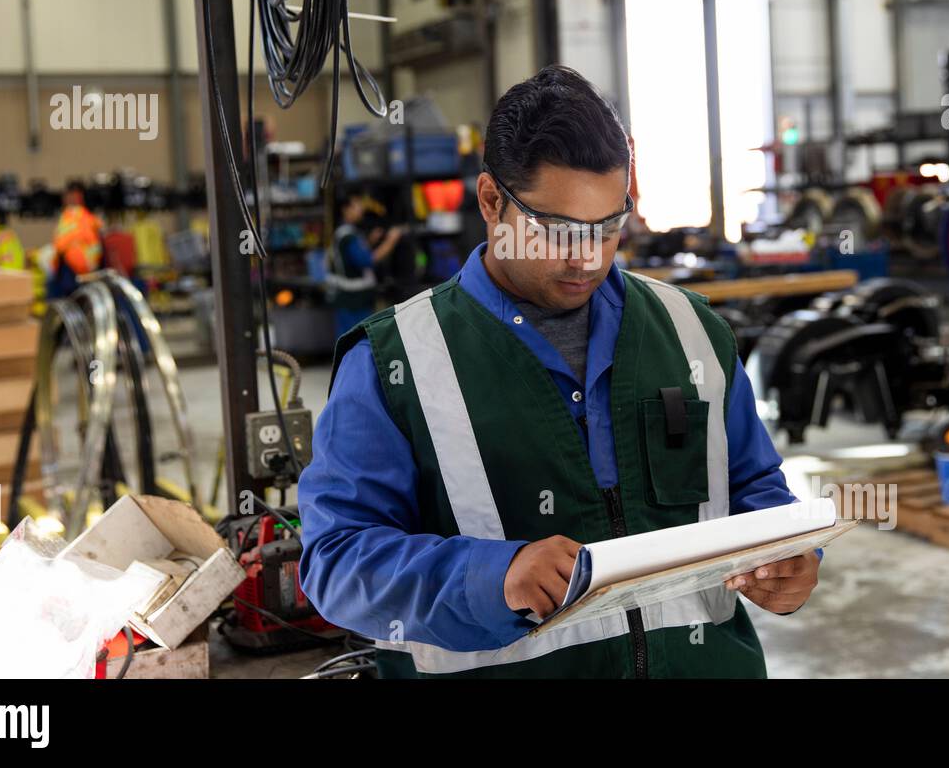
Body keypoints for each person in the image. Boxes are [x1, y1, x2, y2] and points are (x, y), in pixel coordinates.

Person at [298, 65, 820, 678]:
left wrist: (788, 552)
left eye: (609, 226)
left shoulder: (691, 331)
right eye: (559, 230)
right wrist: (493, 578)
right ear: (491, 200)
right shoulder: (396, 362)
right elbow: (336, 564)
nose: (588, 258)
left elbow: (754, 483)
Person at [325, 192, 405, 338]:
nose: (361, 208)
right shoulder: (348, 236)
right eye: (357, 205)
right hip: (354, 301)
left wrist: (370, 241)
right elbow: (367, 260)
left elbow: (351, 258)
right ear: (346, 209)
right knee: (356, 340)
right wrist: (391, 240)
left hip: (349, 299)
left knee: (349, 340)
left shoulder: (345, 233)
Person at [48, 181, 102, 299]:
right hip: (86, 268)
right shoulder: (89, 217)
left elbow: (60, 244)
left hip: (73, 266)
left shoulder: (71, 215)